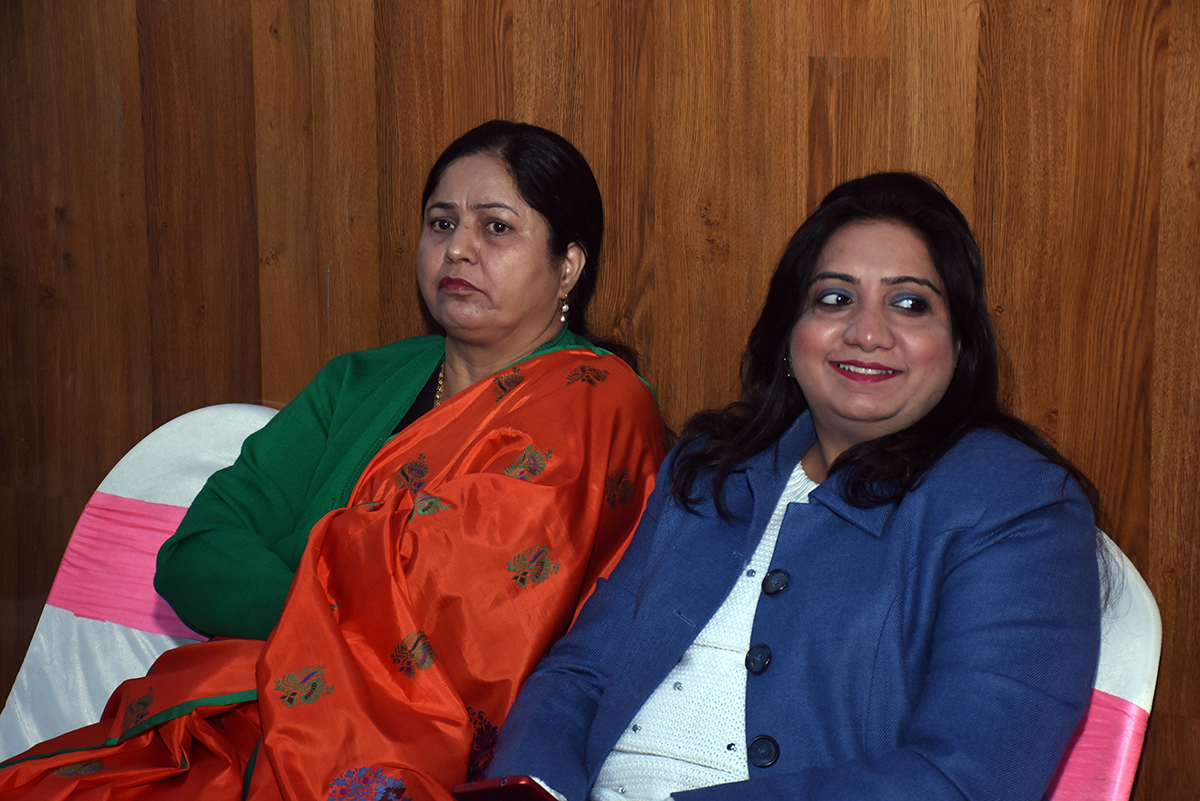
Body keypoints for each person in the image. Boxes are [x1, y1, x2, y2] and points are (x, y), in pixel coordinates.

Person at [0, 120, 665, 800]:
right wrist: (329, 621)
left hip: (415, 751)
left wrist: (308, 614)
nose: (458, 248)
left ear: (568, 264)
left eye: (495, 228)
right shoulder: (356, 384)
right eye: (441, 224)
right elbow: (193, 556)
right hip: (238, 715)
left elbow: (467, 616)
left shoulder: (596, 401)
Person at [486, 172, 1103, 801]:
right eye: (835, 299)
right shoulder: (710, 467)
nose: (867, 332)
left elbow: (965, 779)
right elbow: (580, 676)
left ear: (959, 343)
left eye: (910, 304)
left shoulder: (1022, 506)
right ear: (789, 332)